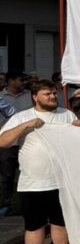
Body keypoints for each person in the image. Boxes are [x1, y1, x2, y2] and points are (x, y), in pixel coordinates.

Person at [0, 80, 80, 244]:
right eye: (47, 94)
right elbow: (3, 141)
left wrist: (79, 128)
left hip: (61, 181)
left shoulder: (67, 115)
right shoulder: (22, 117)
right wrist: (26, 126)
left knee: (60, 223)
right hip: (33, 184)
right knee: (34, 227)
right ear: (35, 97)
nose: (53, 97)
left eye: (54, 94)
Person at [0, 72, 33, 208]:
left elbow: (12, 112)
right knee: (6, 173)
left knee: (20, 171)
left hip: (22, 140)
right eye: (21, 79)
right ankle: (6, 202)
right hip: (8, 141)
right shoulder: (2, 96)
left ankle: (18, 203)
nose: (24, 82)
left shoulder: (30, 95)